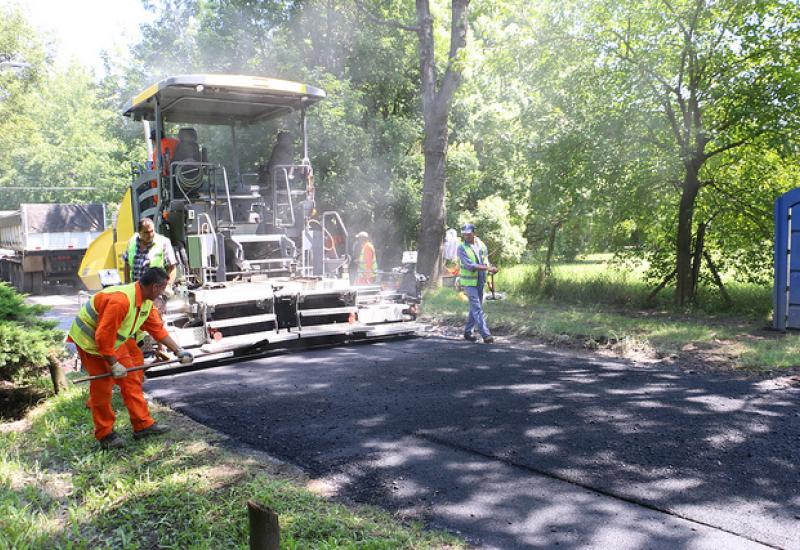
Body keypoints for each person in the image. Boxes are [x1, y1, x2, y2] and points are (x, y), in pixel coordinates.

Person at [67, 268, 193, 449]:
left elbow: (157, 329)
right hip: (90, 341)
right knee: (103, 387)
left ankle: (142, 425)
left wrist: (179, 351)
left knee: (131, 379)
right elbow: (102, 338)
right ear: (154, 287)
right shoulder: (121, 301)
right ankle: (105, 435)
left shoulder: (146, 302)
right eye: (162, 288)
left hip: (112, 341)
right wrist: (113, 364)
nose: (163, 292)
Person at [458, 223, 498, 344]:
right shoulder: (461, 248)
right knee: (477, 307)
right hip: (469, 282)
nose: (466, 236)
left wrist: (490, 272)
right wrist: (488, 268)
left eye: (469, 234)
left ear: (474, 233)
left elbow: (485, 260)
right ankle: (486, 335)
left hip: (481, 279)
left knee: (475, 307)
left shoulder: (481, 244)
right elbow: (470, 266)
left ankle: (467, 332)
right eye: (464, 234)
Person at [123, 217, 177, 293]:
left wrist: (168, 286)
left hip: (156, 291)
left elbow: (172, 267)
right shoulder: (132, 242)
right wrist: (127, 284)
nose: (150, 235)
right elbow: (126, 264)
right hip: (136, 290)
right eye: (146, 232)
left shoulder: (163, 242)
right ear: (139, 232)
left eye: (152, 231)